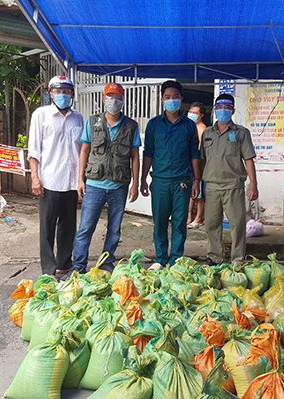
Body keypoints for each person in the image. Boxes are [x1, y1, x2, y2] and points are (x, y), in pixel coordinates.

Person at [70, 82, 141, 273]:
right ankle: (78, 266)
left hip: (119, 185)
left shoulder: (131, 126)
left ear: (123, 101)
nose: (114, 101)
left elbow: (135, 156)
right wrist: (80, 180)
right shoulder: (92, 122)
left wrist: (135, 184)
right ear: (103, 99)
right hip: (94, 184)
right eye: (110, 97)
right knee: (85, 227)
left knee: (115, 229)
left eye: (117, 97)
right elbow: (84, 150)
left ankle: (106, 264)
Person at [141, 80, 201, 268]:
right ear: (162, 100)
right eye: (167, 97)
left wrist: (196, 180)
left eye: (175, 97)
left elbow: (194, 154)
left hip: (182, 182)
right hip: (160, 181)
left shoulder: (189, 126)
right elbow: (148, 153)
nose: (171, 100)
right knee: (159, 222)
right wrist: (142, 179)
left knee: (179, 223)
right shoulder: (154, 125)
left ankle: (176, 259)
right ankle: (160, 258)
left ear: (181, 98)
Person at [28, 75, 83, 276]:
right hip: (49, 179)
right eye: (58, 91)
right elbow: (33, 150)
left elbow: (81, 151)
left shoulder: (78, 118)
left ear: (72, 94)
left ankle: (64, 262)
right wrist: (35, 178)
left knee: (68, 227)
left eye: (67, 91)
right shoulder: (41, 115)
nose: (63, 95)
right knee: (47, 227)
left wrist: (80, 180)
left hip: (71, 181)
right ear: (51, 94)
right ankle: (48, 268)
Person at [201, 94, 258, 264]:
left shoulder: (241, 133)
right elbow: (203, 159)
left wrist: (253, 185)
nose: (222, 111)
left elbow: (248, 159)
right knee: (211, 225)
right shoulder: (207, 133)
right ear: (215, 110)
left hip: (233, 185)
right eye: (219, 108)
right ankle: (214, 257)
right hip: (211, 186)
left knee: (237, 225)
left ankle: (238, 259)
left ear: (232, 110)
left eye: (226, 108)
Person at [186, 101, 208, 229]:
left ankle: (199, 218)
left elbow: (201, 151)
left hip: (199, 165)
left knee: (199, 195)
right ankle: (189, 216)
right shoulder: (189, 127)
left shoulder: (202, 129)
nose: (192, 114)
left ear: (201, 115)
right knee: (192, 193)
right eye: (190, 112)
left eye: (195, 113)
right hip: (189, 165)